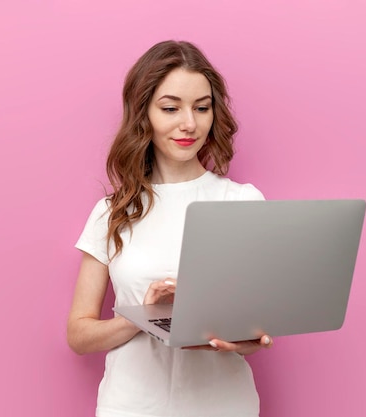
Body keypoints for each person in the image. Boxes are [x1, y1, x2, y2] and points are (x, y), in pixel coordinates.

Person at [67, 40, 273, 417]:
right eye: (170, 108)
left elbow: (253, 334)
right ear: (143, 113)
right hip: (130, 405)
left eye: (202, 108)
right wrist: (144, 316)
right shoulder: (111, 213)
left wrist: (243, 340)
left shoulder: (241, 201)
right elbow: (79, 335)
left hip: (223, 404)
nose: (189, 124)